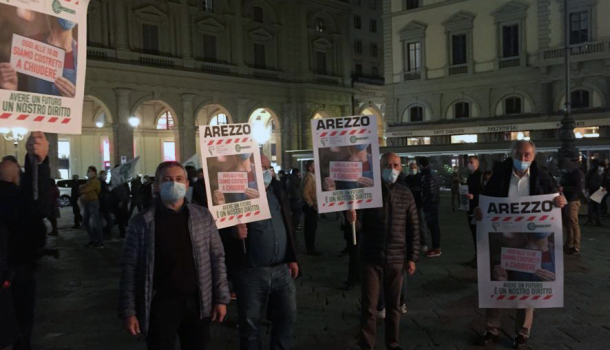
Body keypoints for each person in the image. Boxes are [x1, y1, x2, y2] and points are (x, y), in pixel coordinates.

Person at [119, 161, 230, 350]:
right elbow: (130, 268)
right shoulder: (141, 222)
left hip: (198, 302)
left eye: (179, 179)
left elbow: (217, 258)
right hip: (160, 304)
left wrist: (221, 298)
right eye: (167, 180)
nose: (174, 183)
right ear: (156, 185)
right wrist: (129, 311)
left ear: (187, 184)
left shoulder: (203, 216)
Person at [474, 140, 566, 349]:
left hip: (531, 241)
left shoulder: (542, 176)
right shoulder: (499, 175)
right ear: (511, 154)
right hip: (502, 239)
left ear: (534, 156)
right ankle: (492, 329)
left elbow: (558, 200)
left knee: (527, 285)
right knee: (496, 282)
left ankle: (523, 332)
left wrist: (561, 201)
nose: (523, 159)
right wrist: (479, 211)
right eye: (519, 155)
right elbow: (484, 201)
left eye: (527, 155)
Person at [347, 152, 419, 350]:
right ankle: (367, 344)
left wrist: (412, 257)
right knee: (369, 308)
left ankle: (392, 344)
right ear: (379, 168)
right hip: (371, 257)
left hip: (396, 259)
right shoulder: (368, 192)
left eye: (396, 165)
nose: (392, 169)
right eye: (388, 165)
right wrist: (352, 220)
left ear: (401, 168)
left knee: (394, 307)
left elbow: (413, 228)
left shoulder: (406, 194)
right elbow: (359, 224)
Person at [226, 154, 299, 350]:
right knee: (250, 326)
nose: (266, 172)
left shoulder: (276, 190)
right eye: (260, 168)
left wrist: (292, 258)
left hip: (282, 269)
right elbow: (218, 230)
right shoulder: (235, 194)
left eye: (267, 167)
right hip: (251, 271)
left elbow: (287, 224)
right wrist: (233, 232)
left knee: (287, 319)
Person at [0, 132, 50, 350]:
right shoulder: (20, 200)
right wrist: (38, 160)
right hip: (20, 271)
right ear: (16, 177)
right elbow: (37, 202)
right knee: (21, 324)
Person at [558, 158, 585, 255]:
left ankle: (576, 245)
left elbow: (579, 188)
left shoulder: (577, 173)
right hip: (566, 200)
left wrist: (565, 188)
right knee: (568, 223)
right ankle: (569, 243)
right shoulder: (568, 174)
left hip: (573, 200)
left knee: (573, 223)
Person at [405, 161, 429, 253]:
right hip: (409, 205)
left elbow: (424, 190)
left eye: (414, 167)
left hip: (419, 205)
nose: (412, 169)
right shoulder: (407, 179)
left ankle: (423, 243)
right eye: (411, 168)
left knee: (421, 224)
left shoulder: (420, 178)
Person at [419, 157, 442, 258]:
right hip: (434, 202)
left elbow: (429, 192)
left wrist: (423, 201)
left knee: (433, 226)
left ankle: (436, 248)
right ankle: (436, 247)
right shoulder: (433, 173)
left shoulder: (427, 175)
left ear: (420, 165)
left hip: (430, 204)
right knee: (434, 226)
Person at [465, 156, 483, 263]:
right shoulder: (470, 177)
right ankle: (477, 256)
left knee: (478, 234)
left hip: (477, 208)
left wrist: (474, 197)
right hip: (470, 208)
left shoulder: (480, 176)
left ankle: (479, 257)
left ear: (477, 164)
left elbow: (484, 192)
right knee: (474, 233)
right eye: (468, 162)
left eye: (472, 162)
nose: (469, 164)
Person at [80, 166, 103, 248]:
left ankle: (99, 241)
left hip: (93, 202)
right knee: (85, 222)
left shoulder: (95, 181)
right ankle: (92, 239)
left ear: (94, 172)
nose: (88, 173)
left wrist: (82, 188)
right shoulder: (89, 181)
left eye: (89, 171)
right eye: (88, 171)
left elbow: (85, 190)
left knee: (96, 222)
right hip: (88, 202)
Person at [301, 160, 320, 255]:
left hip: (313, 206)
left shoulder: (313, 176)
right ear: (310, 167)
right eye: (314, 165)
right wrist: (311, 204)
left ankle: (311, 247)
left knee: (313, 227)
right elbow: (305, 193)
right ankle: (310, 248)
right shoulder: (309, 176)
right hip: (310, 207)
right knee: (310, 228)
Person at [584, 159, 605, 226]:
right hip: (599, 190)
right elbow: (605, 180)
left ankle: (590, 220)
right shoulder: (601, 170)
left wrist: (586, 187)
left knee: (591, 206)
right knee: (598, 206)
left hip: (592, 189)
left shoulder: (591, 171)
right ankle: (598, 220)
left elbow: (587, 179)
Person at [286, 168, 302, 233]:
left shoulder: (289, 178)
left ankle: (293, 226)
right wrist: (300, 179)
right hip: (295, 198)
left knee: (294, 214)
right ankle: (294, 227)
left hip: (291, 198)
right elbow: (298, 185)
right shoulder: (295, 179)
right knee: (297, 214)